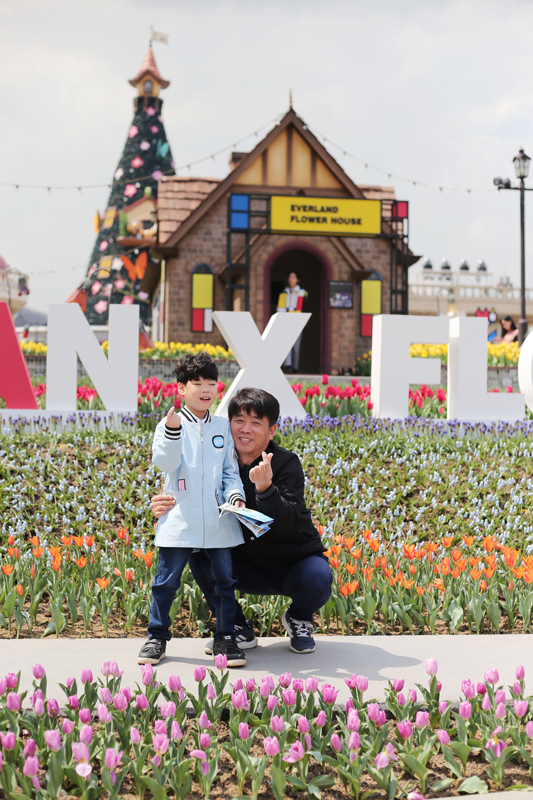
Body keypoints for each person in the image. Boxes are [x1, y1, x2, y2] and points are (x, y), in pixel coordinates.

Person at [151, 387, 332, 655]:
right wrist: (163, 505)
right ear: (229, 424)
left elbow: (288, 521)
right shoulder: (216, 461)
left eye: (256, 423)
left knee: (318, 577)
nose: (245, 429)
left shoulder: (286, 463)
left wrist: (266, 489)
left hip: (292, 562)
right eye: (239, 420)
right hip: (242, 565)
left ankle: (299, 617)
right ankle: (236, 626)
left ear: (271, 430)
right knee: (197, 549)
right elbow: (189, 498)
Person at [137, 352, 247, 668]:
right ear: (181, 388)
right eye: (197, 383)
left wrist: (236, 497)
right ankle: (156, 638)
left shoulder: (222, 427)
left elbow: (230, 472)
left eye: (211, 383)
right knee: (165, 583)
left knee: (224, 583)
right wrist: (173, 432)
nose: (205, 389)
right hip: (179, 518)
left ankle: (225, 638)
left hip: (218, 519)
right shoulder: (169, 424)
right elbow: (165, 462)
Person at [277, 271, 308, 373]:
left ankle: (295, 367)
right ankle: (289, 366)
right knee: (287, 344)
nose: (291, 279)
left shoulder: (302, 292)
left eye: (293, 277)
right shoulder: (284, 292)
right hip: (286, 321)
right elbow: (280, 308)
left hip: (297, 321)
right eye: (290, 277)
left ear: (298, 280)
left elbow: (302, 308)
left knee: (296, 346)